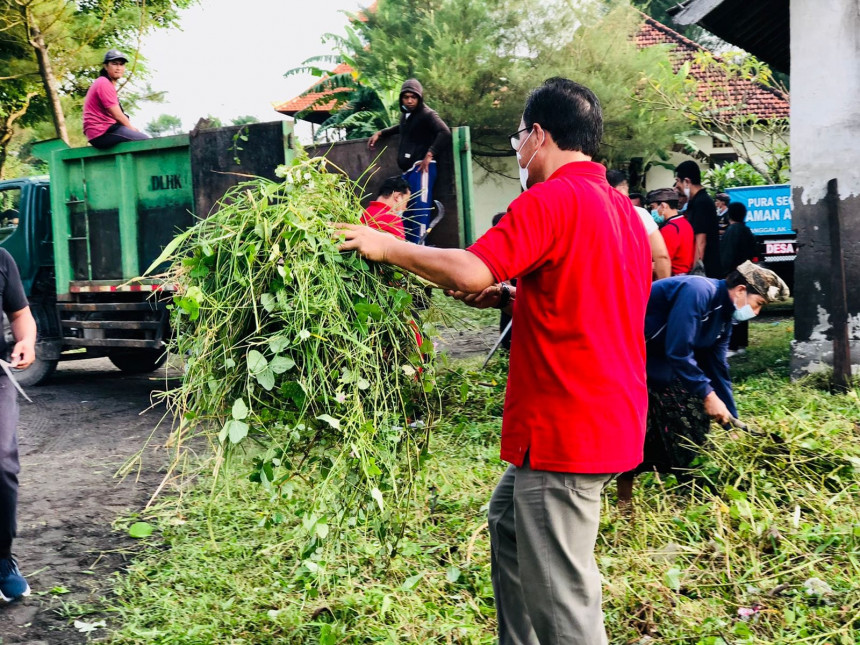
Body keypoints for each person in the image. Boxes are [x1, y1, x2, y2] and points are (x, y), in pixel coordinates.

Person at [340, 77, 652, 644]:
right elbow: (591, 294)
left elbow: (470, 268)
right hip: (608, 414)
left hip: (567, 427)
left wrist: (385, 245)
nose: (518, 153)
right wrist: (514, 295)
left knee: (564, 598)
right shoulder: (622, 211)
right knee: (507, 523)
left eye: (518, 139)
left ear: (538, 135)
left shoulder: (550, 199)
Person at [616, 261, 789, 504]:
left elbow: (717, 368)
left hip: (661, 364)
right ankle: (625, 504)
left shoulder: (725, 318)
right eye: (758, 304)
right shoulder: (698, 291)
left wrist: (731, 422)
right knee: (638, 429)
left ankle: (690, 497)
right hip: (630, 359)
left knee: (691, 425)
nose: (757, 312)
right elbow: (678, 351)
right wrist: (707, 395)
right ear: (741, 290)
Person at [368, 79, 450, 244]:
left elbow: (444, 132)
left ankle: (419, 247)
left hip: (422, 169)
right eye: (406, 97)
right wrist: (381, 133)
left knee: (420, 211)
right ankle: (407, 247)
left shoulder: (428, 114)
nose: (410, 100)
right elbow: (401, 129)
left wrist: (430, 154)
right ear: (401, 99)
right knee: (408, 211)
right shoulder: (407, 116)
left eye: (414, 97)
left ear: (420, 98)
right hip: (409, 172)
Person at [0, 248, 36, 603]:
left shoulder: (1, 259)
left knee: (2, 465)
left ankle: (1, 559)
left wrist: (26, 341)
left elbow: (21, 314)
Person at [607, 170, 671, 280]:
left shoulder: (590, 213)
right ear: (622, 187)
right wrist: (663, 289)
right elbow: (661, 256)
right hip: (634, 285)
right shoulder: (639, 214)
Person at [83, 49, 149, 149]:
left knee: (132, 137)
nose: (118, 67)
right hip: (101, 132)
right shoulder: (104, 83)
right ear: (105, 66)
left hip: (106, 130)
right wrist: (132, 129)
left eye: (121, 64)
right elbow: (117, 115)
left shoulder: (105, 83)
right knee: (145, 141)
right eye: (114, 64)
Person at [720, 202, 760, 355]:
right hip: (746, 274)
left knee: (732, 310)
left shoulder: (732, 232)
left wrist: (724, 274)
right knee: (743, 309)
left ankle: (732, 346)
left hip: (733, 276)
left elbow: (726, 257)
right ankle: (742, 344)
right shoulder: (747, 231)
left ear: (729, 214)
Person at [675, 160, 721, 278]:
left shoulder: (702, 202)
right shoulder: (695, 201)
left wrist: (695, 274)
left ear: (686, 181)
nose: (676, 187)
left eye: (677, 181)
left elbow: (700, 241)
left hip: (707, 269)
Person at [647, 187, 694, 275]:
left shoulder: (670, 229)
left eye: (653, 207)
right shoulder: (684, 222)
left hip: (672, 277)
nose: (652, 211)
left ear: (664, 206)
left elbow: (662, 260)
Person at [360, 176, 411, 240]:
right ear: (397, 196)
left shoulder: (364, 213)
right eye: (406, 202)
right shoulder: (393, 220)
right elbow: (400, 249)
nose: (405, 208)